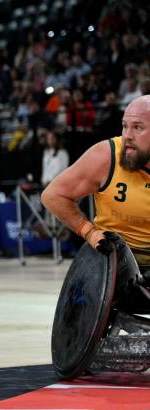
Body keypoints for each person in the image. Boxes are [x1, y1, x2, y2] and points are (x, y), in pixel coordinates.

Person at [42, 95, 150, 294]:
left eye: (137, 127)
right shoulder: (106, 156)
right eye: (125, 126)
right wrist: (88, 231)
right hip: (114, 261)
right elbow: (52, 195)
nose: (127, 135)